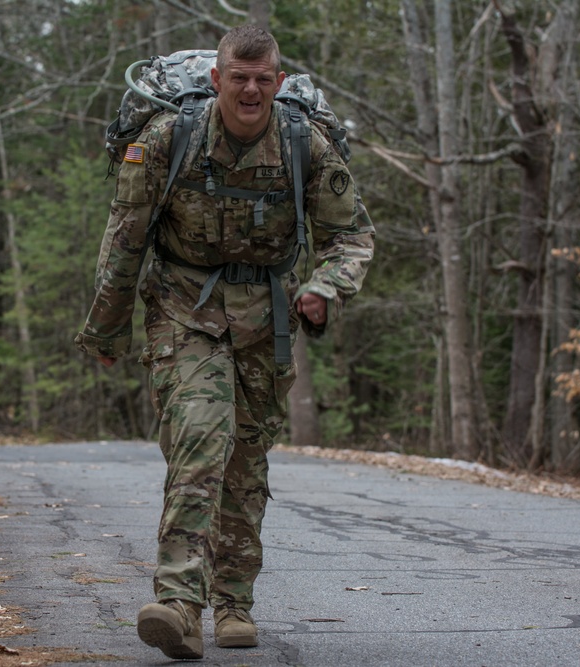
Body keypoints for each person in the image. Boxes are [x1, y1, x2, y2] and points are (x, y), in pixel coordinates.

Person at [74, 25, 375, 660]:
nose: (250, 89)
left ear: (279, 82)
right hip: (184, 307)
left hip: (267, 318)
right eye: (238, 76)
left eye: (263, 78)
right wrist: (107, 326)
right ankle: (180, 602)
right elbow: (125, 236)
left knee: (246, 459)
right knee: (202, 434)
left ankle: (234, 603)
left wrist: (325, 288)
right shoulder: (168, 139)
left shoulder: (304, 145)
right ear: (216, 80)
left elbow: (351, 237)